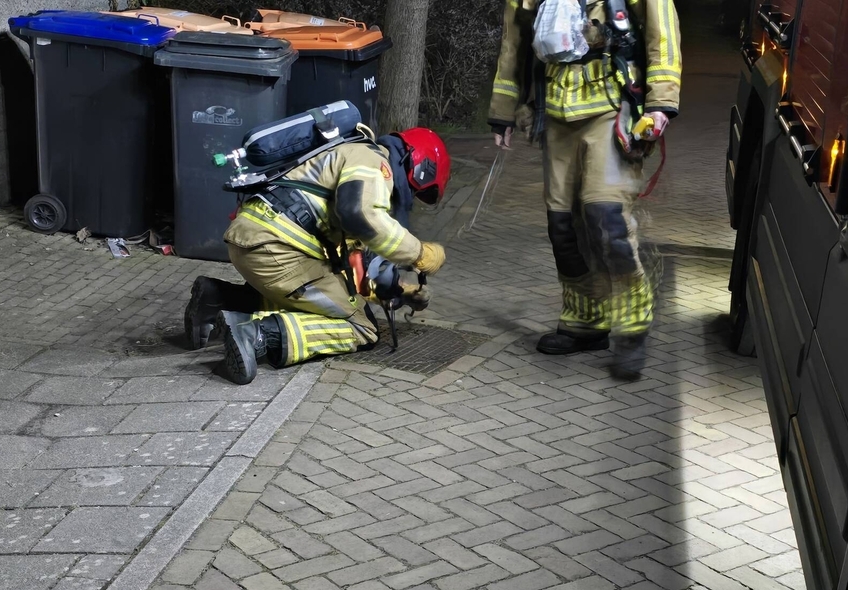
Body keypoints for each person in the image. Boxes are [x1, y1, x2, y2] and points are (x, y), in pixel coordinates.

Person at [488, 0, 682, 380]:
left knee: (605, 220)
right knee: (563, 226)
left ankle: (633, 322)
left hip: (613, 111)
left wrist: (660, 104)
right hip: (556, 113)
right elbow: (514, 41)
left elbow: (664, 37)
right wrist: (503, 110)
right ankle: (585, 322)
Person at [183, 127, 451, 385]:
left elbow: (354, 268)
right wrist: (419, 253)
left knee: (318, 298)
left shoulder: (349, 153)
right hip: (279, 251)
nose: (412, 197)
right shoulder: (373, 162)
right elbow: (363, 217)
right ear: (420, 168)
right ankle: (256, 335)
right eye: (418, 191)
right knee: (362, 327)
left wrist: (398, 291)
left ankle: (217, 299)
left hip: (256, 241)